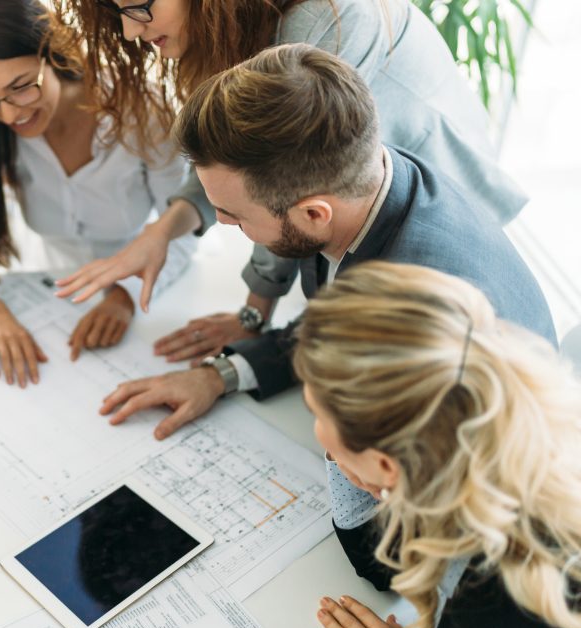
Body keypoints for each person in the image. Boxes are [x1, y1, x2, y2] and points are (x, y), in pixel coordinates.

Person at [99, 44, 554, 440]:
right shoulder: (371, 175)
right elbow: (331, 318)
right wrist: (219, 375)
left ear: (315, 214)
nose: (219, 220)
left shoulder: (413, 319)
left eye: (235, 215)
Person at [50, 0, 527, 362]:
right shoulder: (243, 20)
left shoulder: (325, 19)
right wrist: (163, 230)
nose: (131, 31)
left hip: (425, 208)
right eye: (118, 11)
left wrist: (253, 315)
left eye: (140, 6)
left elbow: (275, 179)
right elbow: (234, 156)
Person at [293, 261, 581, 628]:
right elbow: (386, 562)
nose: (319, 433)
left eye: (318, 416)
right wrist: (358, 468)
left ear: (388, 463)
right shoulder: (492, 448)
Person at [0, 0, 195, 388]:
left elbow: (182, 231)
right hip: (52, 299)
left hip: (153, 289)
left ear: (55, 52)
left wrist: (124, 294)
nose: (8, 115)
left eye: (21, 87)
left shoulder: (142, 111)